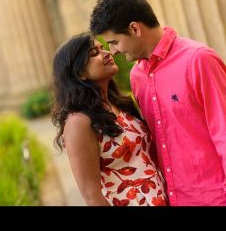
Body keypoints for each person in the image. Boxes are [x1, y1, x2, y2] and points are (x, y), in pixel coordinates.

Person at [90, 0, 226, 206]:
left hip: (216, 199)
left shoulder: (198, 60)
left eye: (114, 42)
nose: (114, 51)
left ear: (135, 29)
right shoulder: (137, 76)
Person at [52, 33, 168, 206]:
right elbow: (91, 195)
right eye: (94, 53)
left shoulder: (120, 104)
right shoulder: (79, 122)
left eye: (102, 48)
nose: (107, 53)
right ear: (79, 74)